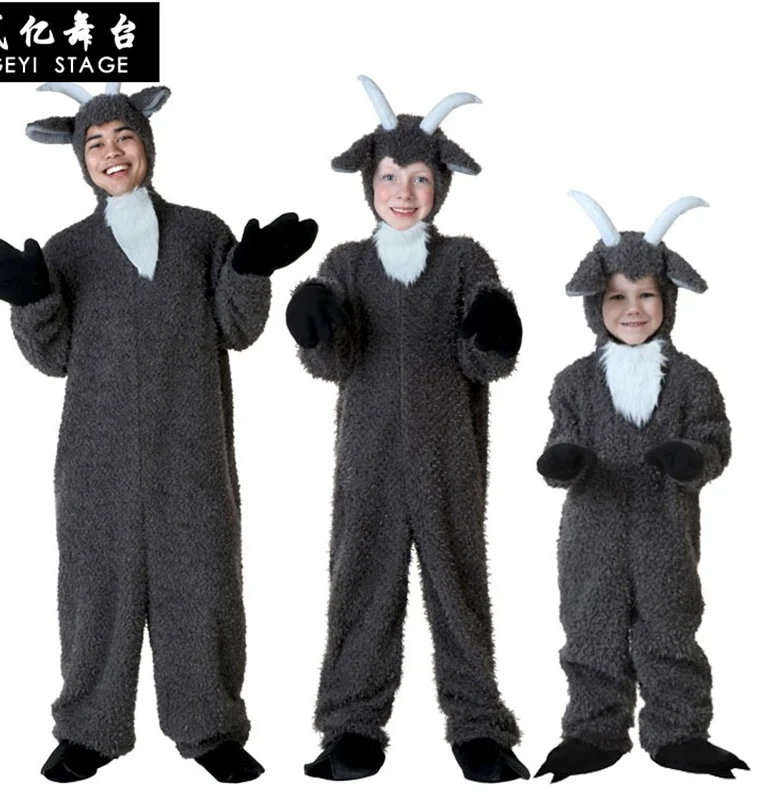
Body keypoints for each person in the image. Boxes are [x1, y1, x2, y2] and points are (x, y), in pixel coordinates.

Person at [0, 82, 317, 784]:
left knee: (204, 591)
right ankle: (89, 730)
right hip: (95, 464)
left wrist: (249, 269)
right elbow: (52, 358)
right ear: (79, 158)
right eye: (95, 142)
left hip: (192, 456)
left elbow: (239, 329)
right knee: (96, 596)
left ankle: (211, 728)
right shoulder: (67, 251)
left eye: (124, 135)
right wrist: (32, 298)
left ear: (147, 143)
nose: (112, 151)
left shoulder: (201, 234)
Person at [286, 76, 527, 783]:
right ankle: (350, 727)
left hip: (449, 457)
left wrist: (495, 326)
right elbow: (332, 364)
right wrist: (312, 320)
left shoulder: (464, 261)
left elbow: (485, 362)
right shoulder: (346, 264)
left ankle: (479, 728)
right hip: (368, 460)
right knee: (360, 585)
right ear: (369, 180)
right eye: (390, 176)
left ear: (441, 185)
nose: (404, 191)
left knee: (459, 589)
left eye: (420, 178)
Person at [535, 191, 749, 782]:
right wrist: (563, 462)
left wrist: (692, 458)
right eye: (617, 297)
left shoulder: (693, 380)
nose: (633, 309)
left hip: (666, 533)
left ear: (668, 298)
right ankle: (593, 732)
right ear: (595, 303)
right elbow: (561, 442)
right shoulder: (574, 382)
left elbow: (715, 442)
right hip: (591, 534)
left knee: (670, 627)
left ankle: (679, 731)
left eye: (647, 294)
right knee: (589, 629)